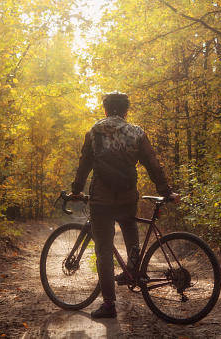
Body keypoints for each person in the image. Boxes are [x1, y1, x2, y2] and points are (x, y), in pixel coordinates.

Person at [70, 91, 180, 319]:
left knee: (103, 249)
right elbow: (152, 163)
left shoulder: (95, 131)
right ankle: (132, 269)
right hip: (128, 196)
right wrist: (166, 191)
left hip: (102, 199)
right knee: (129, 225)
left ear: (106, 109)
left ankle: (109, 305)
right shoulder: (137, 132)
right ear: (126, 110)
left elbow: (85, 163)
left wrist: (76, 189)